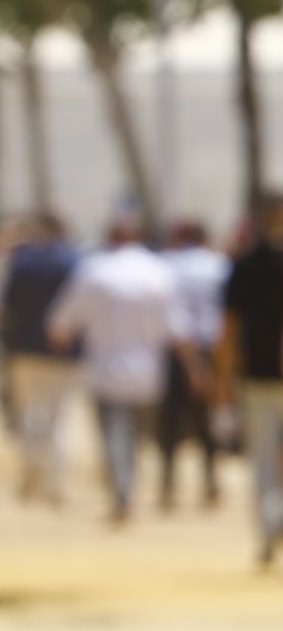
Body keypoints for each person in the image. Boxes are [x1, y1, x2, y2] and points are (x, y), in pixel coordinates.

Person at [46, 215, 180, 523]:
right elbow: (175, 328)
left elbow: (61, 323)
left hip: (105, 370)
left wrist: (63, 341)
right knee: (135, 435)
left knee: (114, 434)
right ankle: (126, 485)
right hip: (150, 373)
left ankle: (122, 489)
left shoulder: (94, 272)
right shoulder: (158, 272)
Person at [217, 190, 283, 563]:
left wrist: (225, 373)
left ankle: (271, 531)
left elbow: (229, 325)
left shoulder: (245, 261)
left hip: (257, 375)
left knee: (265, 459)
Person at [3, 212, 82, 505]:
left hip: (24, 349)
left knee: (31, 413)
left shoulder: (22, 262)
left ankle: (33, 466)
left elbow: (7, 305)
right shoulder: (75, 262)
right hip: (65, 352)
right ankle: (56, 482)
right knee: (59, 417)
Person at [158, 219, 229, 510]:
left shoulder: (166, 264)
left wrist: (189, 362)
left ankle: (168, 485)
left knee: (170, 421)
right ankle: (211, 482)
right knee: (207, 420)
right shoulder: (220, 265)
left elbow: (171, 315)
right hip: (213, 349)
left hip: (176, 351)